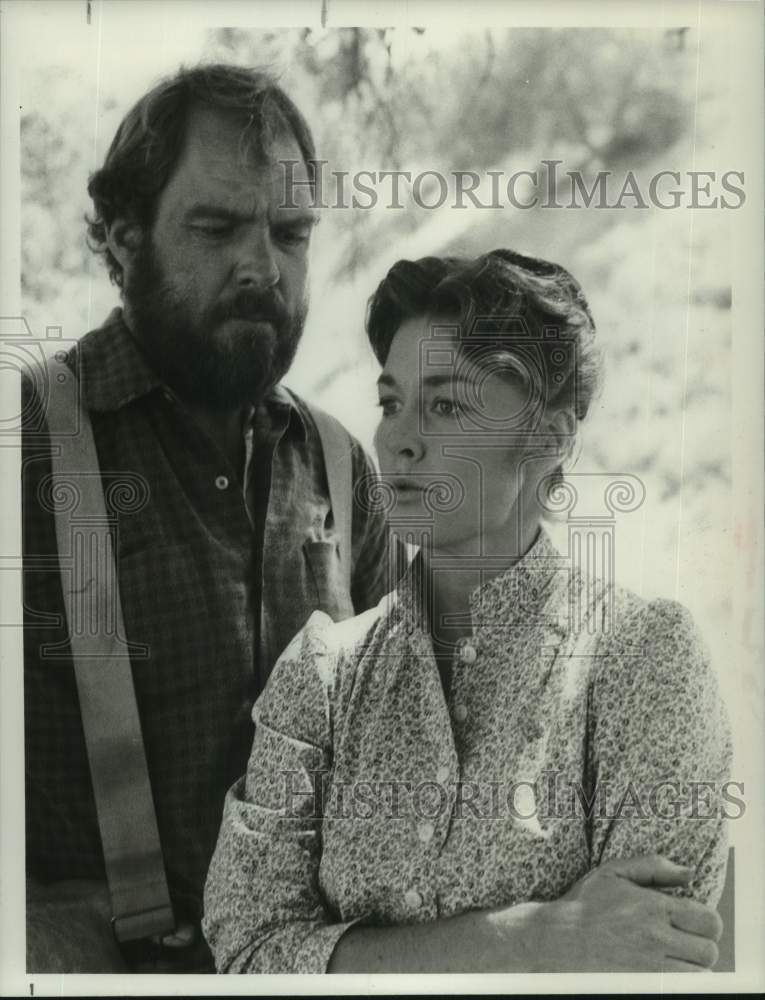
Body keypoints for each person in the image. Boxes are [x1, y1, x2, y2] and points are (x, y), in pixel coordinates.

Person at [202, 249, 733, 973]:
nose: (399, 438)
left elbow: (650, 963)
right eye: (391, 401)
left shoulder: (642, 658)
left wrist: (344, 957)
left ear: (548, 436)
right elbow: (249, 946)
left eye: (446, 404)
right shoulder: (322, 675)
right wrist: (534, 940)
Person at [23, 64, 391, 972]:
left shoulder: (345, 469)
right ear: (122, 237)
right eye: (217, 228)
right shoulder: (22, 454)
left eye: (292, 233)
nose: (263, 267)